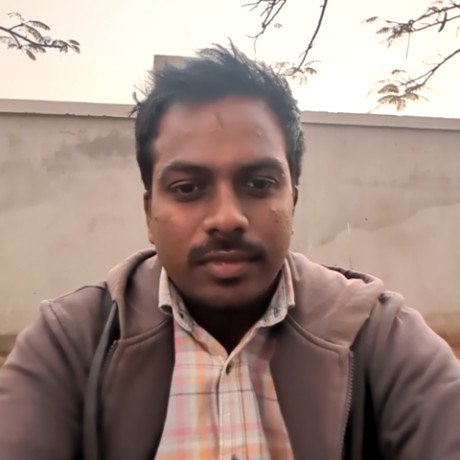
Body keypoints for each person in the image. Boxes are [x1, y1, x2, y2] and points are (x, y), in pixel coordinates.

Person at [0, 44, 459, 460]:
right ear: (149, 213)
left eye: (259, 184)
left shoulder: (379, 336)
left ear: (292, 201)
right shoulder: (72, 344)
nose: (227, 218)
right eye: (188, 187)